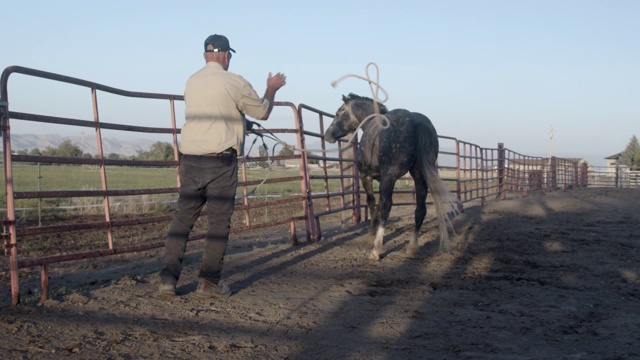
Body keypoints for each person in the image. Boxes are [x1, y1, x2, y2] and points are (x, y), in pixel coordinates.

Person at [159, 34, 286, 298]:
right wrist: (272, 88)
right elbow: (263, 111)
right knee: (218, 224)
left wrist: (240, 124)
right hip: (220, 162)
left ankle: (167, 281)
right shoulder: (235, 81)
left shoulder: (192, 81)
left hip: (191, 159)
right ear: (226, 55)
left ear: (206, 55)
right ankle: (208, 284)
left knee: (182, 220)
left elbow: (215, 112)